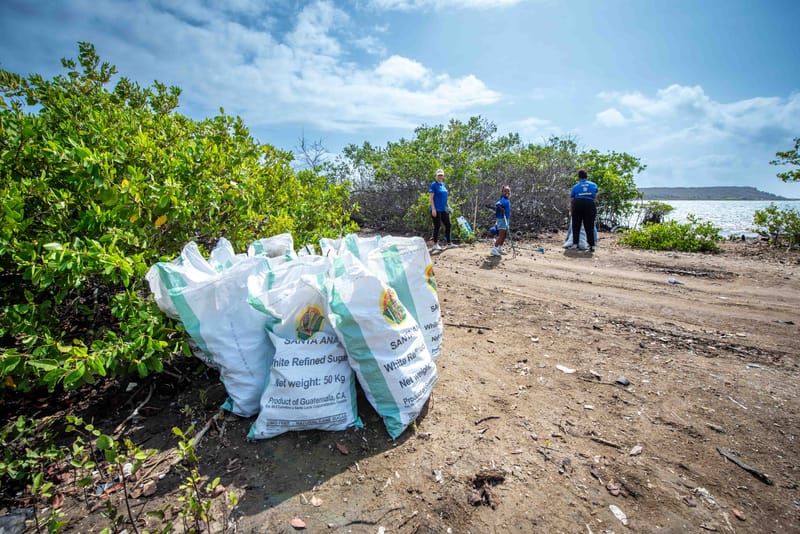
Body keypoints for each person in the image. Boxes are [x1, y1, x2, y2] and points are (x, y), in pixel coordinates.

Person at [568, 169, 598, 252]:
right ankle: (592, 246)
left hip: (578, 204)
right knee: (589, 226)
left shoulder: (575, 186)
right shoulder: (593, 185)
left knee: (576, 225)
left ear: (579, 177)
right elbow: (595, 196)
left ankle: (575, 244)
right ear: (586, 176)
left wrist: (571, 210)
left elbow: (572, 200)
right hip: (589, 204)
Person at [428, 169, 452, 250]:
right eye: (439, 175)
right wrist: (433, 209)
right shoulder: (433, 185)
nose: (440, 176)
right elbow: (431, 198)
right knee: (437, 226)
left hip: (444, 209)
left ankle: (449, 243)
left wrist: (448, 206)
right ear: (436, 176)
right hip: (436, 209)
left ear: (443, 176)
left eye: (441, 175)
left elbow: (445, 197)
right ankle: (435, 244)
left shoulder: (443, 185)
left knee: (448, 225)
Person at [490, 185, 511, 256]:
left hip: (506, 219)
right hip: (502, 219)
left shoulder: (507, 200)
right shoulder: (503, 200)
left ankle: (499, 248)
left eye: (508, 191)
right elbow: (497, 204)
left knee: (504, 235)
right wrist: (501, 209)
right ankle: (494, 249)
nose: (507, 192)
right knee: (501, 235)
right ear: (502, 192)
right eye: (505, 191)